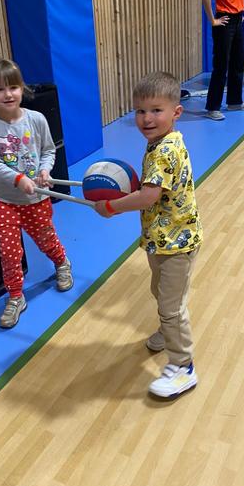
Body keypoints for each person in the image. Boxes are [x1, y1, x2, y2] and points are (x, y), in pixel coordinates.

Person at [94, 72, 202, 398]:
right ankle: (168, 331)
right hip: (162, 239)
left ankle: (183, 367)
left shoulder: (163, 151)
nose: (147, 118)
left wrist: (111, 207)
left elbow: (148, 197)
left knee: (171, 308)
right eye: (141, 111)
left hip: (176, 244)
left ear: (176, 112)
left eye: (156, 110)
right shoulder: (166, 141)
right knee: (160, 291)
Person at [0, 58, 73, 328]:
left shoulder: (36, 119)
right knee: (9, 253)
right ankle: (15, 296)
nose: (7, 94)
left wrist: (44, 170)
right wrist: (18, 178)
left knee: (46, 240)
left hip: (36, 199)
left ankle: (62, 263)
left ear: (22, 88)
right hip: (6, 200)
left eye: (12, 87)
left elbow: (49, 150)